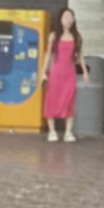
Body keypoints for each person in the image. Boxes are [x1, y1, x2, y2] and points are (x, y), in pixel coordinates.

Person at [42, 8, 89, 143]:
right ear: (60, 19)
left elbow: (80, 55)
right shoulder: (53, 36)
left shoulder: (77, 37)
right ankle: (52, 131)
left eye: (71, 17)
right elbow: (48, 55)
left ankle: (68, 132)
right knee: (51, 99)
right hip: (56, 72)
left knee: (69, 100)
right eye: (66, 17)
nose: (69, 20)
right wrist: (43, 72)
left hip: (70, 73)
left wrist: (85, 71)